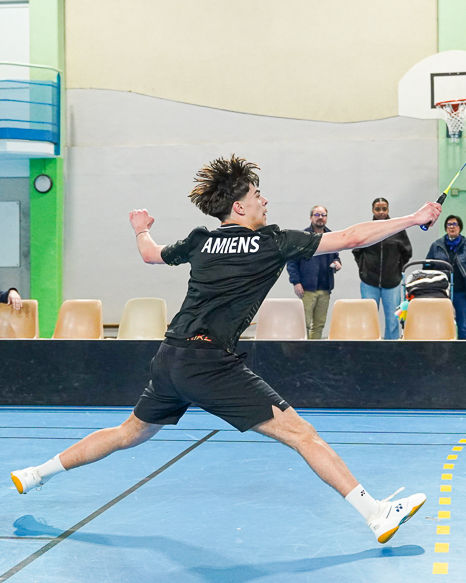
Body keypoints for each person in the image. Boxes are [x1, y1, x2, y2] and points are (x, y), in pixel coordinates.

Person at [10, 156, 441, 544]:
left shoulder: (200, 240)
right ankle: (376, 513)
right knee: (302, 435)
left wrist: (141, 226)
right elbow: (349, 237)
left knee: (128, 433)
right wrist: (414, 217)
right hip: (210, 363)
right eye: (257, 194)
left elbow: (149, 254)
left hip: (171, 357)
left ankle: (34, 474)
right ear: (239, 206)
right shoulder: (273, 241)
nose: (264, 200)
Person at [352, 198, 412, 340]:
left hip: (392, 283)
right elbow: (357, 250)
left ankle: (392, 352)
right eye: (378, 209)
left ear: (388, 210)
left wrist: (396, 268)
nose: (381, 212)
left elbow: (407, 252)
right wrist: (363, 268)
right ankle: (369, 350)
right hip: (369, 282)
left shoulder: (397, 229)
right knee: (368, 319)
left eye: (384, 209)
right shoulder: (366, 229)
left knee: (393, 321)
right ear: (373, 210)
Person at [425, 215, 466, 339]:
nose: (452, 227)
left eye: (454, 224)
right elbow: (427, 267)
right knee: (441, 324)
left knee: (463, 325)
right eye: (449, 224)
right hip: (441, 292)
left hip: (462, 292)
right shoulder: (436, 246)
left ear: (460, 228)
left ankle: (463, 353)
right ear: (445, 228)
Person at [286, 205, 341, 339]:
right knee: (304, 324)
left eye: (323, 215)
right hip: (307, 289)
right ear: (311, 217)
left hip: (325, 288)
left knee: (319, 325)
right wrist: (296, 282)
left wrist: (337, 263)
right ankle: (302, 353)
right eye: (317, 215)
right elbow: (292, 262)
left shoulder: (332, 236)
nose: (320, 218)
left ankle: (314, 352)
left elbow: (335, 256)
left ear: (326, 218)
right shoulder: (302, 237)